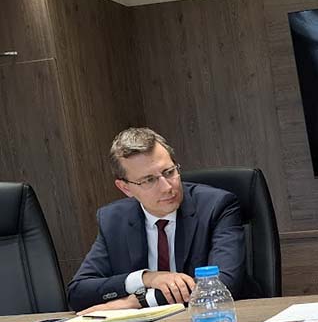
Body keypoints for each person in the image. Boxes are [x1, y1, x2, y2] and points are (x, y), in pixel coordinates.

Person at [68, 128, 245, 313]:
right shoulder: (113, 220)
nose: (167, 187)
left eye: (169, 172)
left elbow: (223, 283)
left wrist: (138, 301)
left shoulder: (217, 206)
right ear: (125, 188)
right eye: (149, 180)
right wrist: (146, 278)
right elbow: (78, 292)